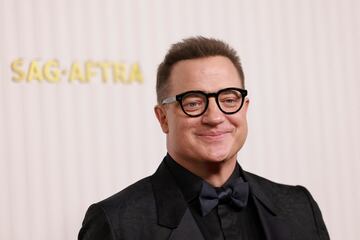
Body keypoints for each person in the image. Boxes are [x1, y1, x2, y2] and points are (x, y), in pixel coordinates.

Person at [78, 36, 330, 240]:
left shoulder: (299, 207)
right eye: (194, 102)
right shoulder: (116, 223)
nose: (215, 117)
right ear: (163, 118)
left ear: (245, 108)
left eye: (229, 100)